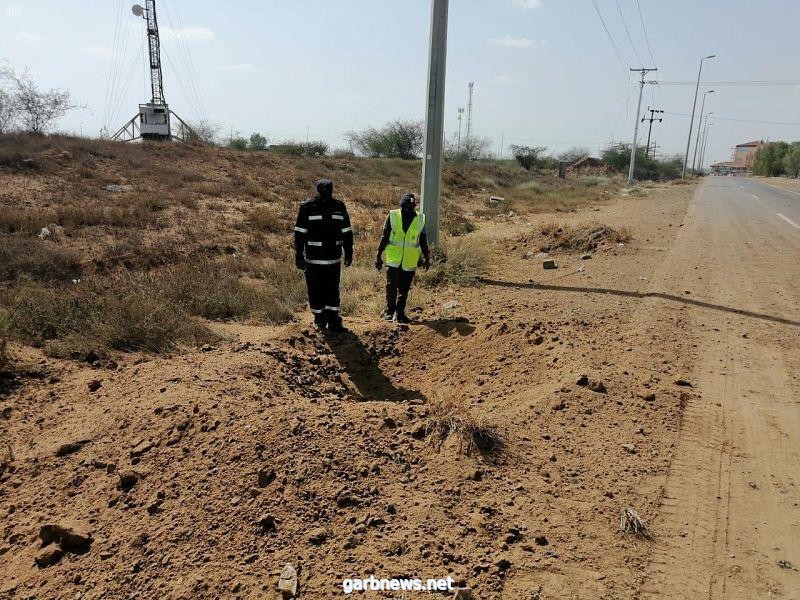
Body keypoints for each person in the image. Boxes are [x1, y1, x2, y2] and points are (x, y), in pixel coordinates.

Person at [294, 179, 353, 332]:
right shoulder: (307, 207)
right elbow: (300, 233)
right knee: (315, 289)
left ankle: (333, 320)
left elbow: (347, 231)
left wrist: (349, 252)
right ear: (318, 190)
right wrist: (299, 256)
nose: (326, 191)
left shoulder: (339, 207)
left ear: (332, 189)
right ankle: (319, 319)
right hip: (314, 259)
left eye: (329, 189)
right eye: (323, 189)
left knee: (333, 289)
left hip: (333, 259)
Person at [374, 192, 430, 323]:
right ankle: (389, 311)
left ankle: (400, 314)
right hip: (394, 258)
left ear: (414, 207)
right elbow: (385, 236)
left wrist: (427, 257)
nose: (407, 210)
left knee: (404, 289)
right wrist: (378, 255)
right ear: (401, 206)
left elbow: (423, 240)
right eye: (404, 207)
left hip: (409, 260)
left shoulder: (420, 219)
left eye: (410, 208)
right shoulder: (393, 216)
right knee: (391, 285)